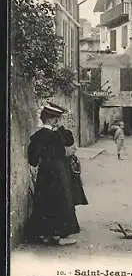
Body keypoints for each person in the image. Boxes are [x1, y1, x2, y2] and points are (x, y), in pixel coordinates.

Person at [26, 102, 80, 246]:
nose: (59, 121)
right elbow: (67, 146)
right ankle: (59, 236)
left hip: (44, 174)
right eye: (58, 118)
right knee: (61, 202)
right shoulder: (55, 136)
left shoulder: (37, 136)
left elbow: (32, 160)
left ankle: (45, 234)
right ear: (53, 119)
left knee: (44, 201)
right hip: (58, 173)